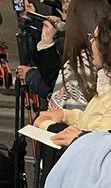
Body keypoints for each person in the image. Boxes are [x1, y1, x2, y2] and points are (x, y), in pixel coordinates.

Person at [33, 9, 111, 145]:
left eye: (94, 37)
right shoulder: (105, 83)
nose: (91, 41)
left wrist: (48, 126)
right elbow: (93, 119)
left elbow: (99, 144)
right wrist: (66, 115)